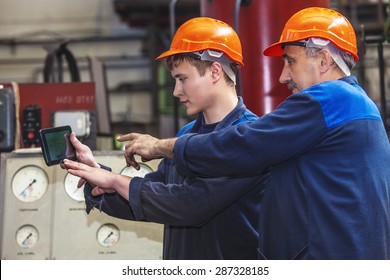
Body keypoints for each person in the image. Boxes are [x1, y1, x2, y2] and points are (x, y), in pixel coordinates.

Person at [119, 7, 390, 260]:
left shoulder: (329, 98)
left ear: (323, 59)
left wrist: (161, 147)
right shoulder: (354, 105)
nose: (283, 76)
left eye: (290, 61)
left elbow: (244, 145)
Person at [63, 17, 268, 259]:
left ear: (215, 71)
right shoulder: (186, 136)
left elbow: (191, 205)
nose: (176, 91)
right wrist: (95, 173)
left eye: (183, 79)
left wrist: (116, 181)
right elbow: (152, 198)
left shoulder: (250, 138)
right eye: (175, 80)